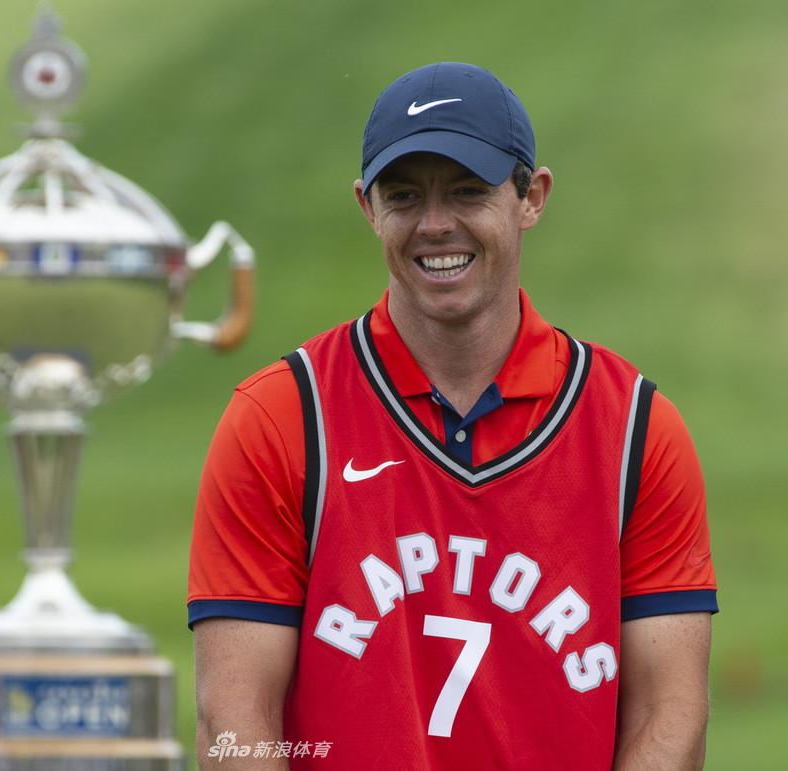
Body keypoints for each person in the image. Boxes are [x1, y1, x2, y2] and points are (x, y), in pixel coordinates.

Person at [188, 62, 717, 770]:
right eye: (404, 196)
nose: (435, 225)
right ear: (367, 207)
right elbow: (235, 719)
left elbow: (668, 715)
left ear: (532, 197)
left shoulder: (635, 429)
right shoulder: (282, 418)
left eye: (468, 191)